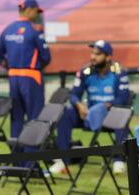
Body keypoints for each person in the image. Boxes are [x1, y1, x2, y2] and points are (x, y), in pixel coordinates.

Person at [50, 40, 130, 174]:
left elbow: (123, 98)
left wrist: (106, 106)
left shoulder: (119, 72)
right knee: (66, 115)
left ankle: (118, 160)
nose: (92, 57)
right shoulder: (85, 71)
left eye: (97, 54)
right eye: (92, 53)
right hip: (88, 114)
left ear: (108, 57)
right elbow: (74, 94)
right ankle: (63, 161)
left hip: (110, 114)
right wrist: (79, 105)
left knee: (121, 115)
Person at [0, 0, 51, 139]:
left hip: (13, 78)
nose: (37, 15)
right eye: (37, 11)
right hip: (32, 77)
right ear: (29, 9)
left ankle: (17, 158)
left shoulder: (8, 29)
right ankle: (30, 159)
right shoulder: (35, 30)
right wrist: (36, 68)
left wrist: (11, 66)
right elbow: (46, 57)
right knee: (35, 117)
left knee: (16, 118)